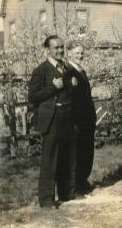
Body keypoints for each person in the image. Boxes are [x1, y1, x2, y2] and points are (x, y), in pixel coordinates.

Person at [28, 35, 77, 208]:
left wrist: (72, 84)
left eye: (62, 47)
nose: (60, 51)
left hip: (67, 117)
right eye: (56, 48)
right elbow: (33, 96)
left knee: (67, 156)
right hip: (52, 119)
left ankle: (67, 193)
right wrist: (52, 87)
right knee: (50, 159)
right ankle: (47, 200)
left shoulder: (68, 68)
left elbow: (69, 92)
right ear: (48, 50)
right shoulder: (40, 70)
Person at [66, 41, 96, 195]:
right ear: (69, 53)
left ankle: (83, 181)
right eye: (77, 53)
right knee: (77, 153)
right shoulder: (68, 71)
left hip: (87, 120)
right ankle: (76, 186)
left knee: (87, 152)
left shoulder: (81, 70)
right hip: (76, 120)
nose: (80, 55)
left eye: (81, 53)